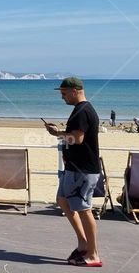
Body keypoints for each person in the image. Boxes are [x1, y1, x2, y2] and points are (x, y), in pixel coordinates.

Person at [45, 77, 102, 267]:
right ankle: (83, 243)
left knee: (84, 209)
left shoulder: (82, 111)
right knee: (62, 200)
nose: (62, 98)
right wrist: (61, 132)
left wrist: (57, 134)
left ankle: (93, 254)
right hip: (74, 168)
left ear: (75, 91)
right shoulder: (81, 110)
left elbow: (77, 139)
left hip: (82, 169)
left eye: (63, 93)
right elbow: (77, 138)